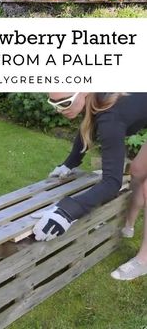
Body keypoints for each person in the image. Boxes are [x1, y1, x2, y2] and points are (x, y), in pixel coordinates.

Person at [32, 92, 147, 281]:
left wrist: (67, 212)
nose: (60, 109)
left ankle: (144, 260)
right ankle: (128, 225)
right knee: (137, 171)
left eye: (65, 102)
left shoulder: (111, 115)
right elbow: (88, 126)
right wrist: (69, 163)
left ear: (83, 92)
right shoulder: (98, 99)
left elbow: (112, 183)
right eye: (54, 104)